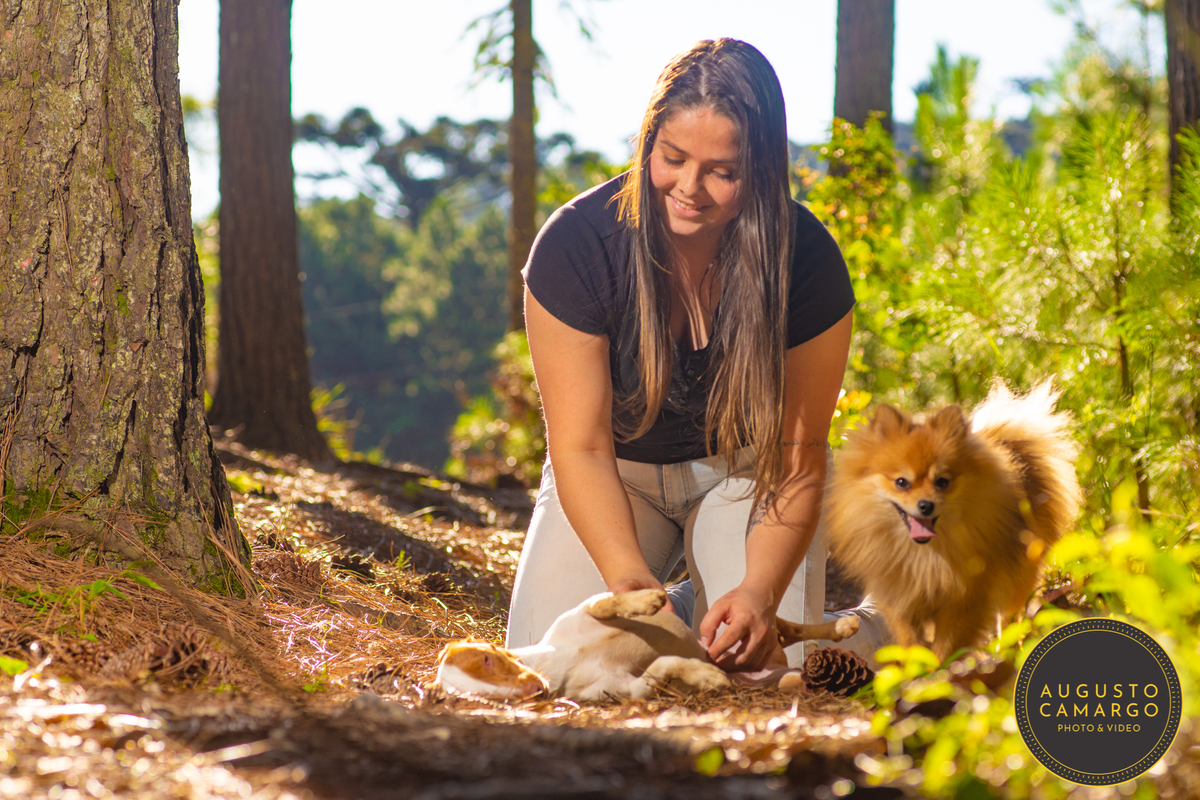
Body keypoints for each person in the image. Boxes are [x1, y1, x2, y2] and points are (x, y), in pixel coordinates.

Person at [506, 38, 887, 670]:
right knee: (554, 667)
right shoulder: (576, 248)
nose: (689, 189)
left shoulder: (808, 263)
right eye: (673, 158)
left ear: (761, 172)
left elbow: (797, 458)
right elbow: (580, 448)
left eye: (722, 172)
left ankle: (877, 630)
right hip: (617, 474)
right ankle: (684, 607)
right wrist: (627, 579)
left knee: (765, 667)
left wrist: (759, 593)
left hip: (748, 475)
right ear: (648, 143)